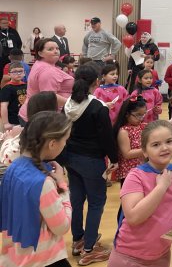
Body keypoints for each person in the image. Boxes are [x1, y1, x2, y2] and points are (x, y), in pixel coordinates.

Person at [108, 121, 172, 267]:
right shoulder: (135, 176)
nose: (164, 148)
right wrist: (161, 187)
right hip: (129, 256)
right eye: (155, 145)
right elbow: (134, 217)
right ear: (144, 151)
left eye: (169, 141)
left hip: (161, 254)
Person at [0, 111, 73, 267]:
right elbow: (62, 227)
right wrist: (63, 186)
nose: (65, 144)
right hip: (42, 259)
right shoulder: (43, 183)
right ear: (52, 143)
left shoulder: (12, 168)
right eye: (65, 140)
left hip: (14, 255)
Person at [63, 63, 118, 265]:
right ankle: (89, 248)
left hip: (70, 157)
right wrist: (114, 158)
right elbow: (106, 138)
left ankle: (78, 240)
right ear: (97, 81)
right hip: (92, 160)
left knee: (76, 200)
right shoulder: (97, 107)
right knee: (96, 202)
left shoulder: (68, 104)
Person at [19, 38, 74, 124]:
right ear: (40, 53)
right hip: (40, 118)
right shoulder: (47, 70)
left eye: (57, 48)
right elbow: (49, 97)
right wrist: (73, 104)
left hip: (36, 114)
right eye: (50, 49)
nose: (56, 51)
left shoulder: (41, 63)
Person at [1, 91, 58, 166]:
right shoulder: (57, 128)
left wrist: (8, 139)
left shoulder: (28, 133)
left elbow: (7, 159)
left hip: (25, 171)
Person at [113, 96, 147, 188]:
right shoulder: (124, 131)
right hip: (129, 172)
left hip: (142, 168)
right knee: (129, 198)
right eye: (138, 115)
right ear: (127, 114)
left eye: (143, 115)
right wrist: (147, 150)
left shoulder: (141, 126)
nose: (141, 118)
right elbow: (127, 154)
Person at [1, 61, 27, 130]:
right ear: (9, 74)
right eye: (14, 72)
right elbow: (3, 106)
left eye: (20, 71)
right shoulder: (7, 88)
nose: (18, 74)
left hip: (24, 119)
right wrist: (6, 123)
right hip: (12, 121)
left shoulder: (26, 85)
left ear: (24, 73)